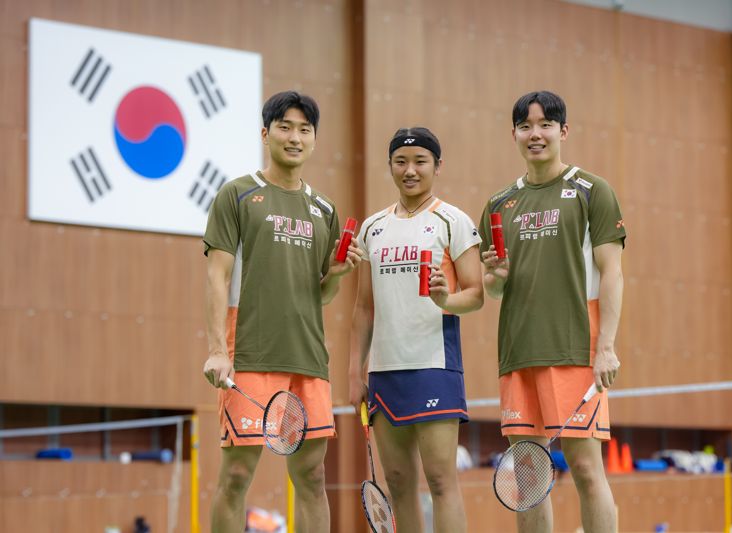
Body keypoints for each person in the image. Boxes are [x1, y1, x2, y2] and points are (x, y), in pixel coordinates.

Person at [202, 90, 362, 533]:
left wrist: (337, 274)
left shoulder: (324, 209)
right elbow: (217, 277)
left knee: (312, 477)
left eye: (304, 130)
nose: (295, 137)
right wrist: (218, 349)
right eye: (285, 127)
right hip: (250, 354)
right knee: (236, 476)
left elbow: (320, 295)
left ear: (314, 139)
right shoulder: (236, 195)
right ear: (265, 133)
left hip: (308, 360)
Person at [479, 91, 626, 533]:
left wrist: (606, 348)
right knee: (529, 476)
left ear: (563, 131)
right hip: (519, 352)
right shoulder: (499, 204)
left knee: (585, 468)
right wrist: (496, 275)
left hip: (576, 350)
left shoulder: (591, 191)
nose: (535, 134)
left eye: (545, 125)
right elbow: (494, 288)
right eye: (526, 126)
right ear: (514, 135)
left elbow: (613, 273)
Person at [349, 127, 484, 533]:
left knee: (442, 481)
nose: (410, 170)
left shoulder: (452, 220)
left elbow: (476, 294)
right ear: (390, 165)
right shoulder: (372, 227)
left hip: (434, 366)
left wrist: (445, 300)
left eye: (420, 161)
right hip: (385, 372)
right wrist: (355, 371)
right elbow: (364, 307)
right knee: (399, 483)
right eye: (400, 161)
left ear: (437, 167)